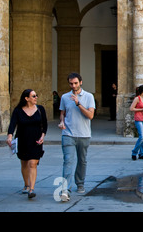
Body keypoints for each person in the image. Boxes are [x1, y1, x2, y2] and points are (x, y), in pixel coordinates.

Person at [58, 72, 95, 202]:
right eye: (71, 83)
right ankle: (65, 190)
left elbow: (90, 115)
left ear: (81, 82)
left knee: (82, 160)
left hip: (84, 134)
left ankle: (80, 183)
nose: (73, 86)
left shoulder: (89, 96)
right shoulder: (64, 97)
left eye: (75, 83)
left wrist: (78, 103)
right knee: (68, 161)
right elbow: (62, 113)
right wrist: (62, 121)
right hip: (68, 134)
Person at [6, 89, 47, 199]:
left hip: (36, 141)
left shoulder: (40, 109)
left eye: (36, 95)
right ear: (26, 98)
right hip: (23, 140)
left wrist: (42, 137)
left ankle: (31, 189)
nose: (36, 97)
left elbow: (45, 125)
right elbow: (12, 124)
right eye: (33, 96)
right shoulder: (18, 110)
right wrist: (9, 136)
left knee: (32, 163)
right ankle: (26, 184)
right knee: (24, 163)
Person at [130, 85, 143, 160]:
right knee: (141, 137)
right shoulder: (137, 98)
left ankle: (142, 153)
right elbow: (131, 108)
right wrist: (142, 109)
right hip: (138, 119)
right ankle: (134, 152)